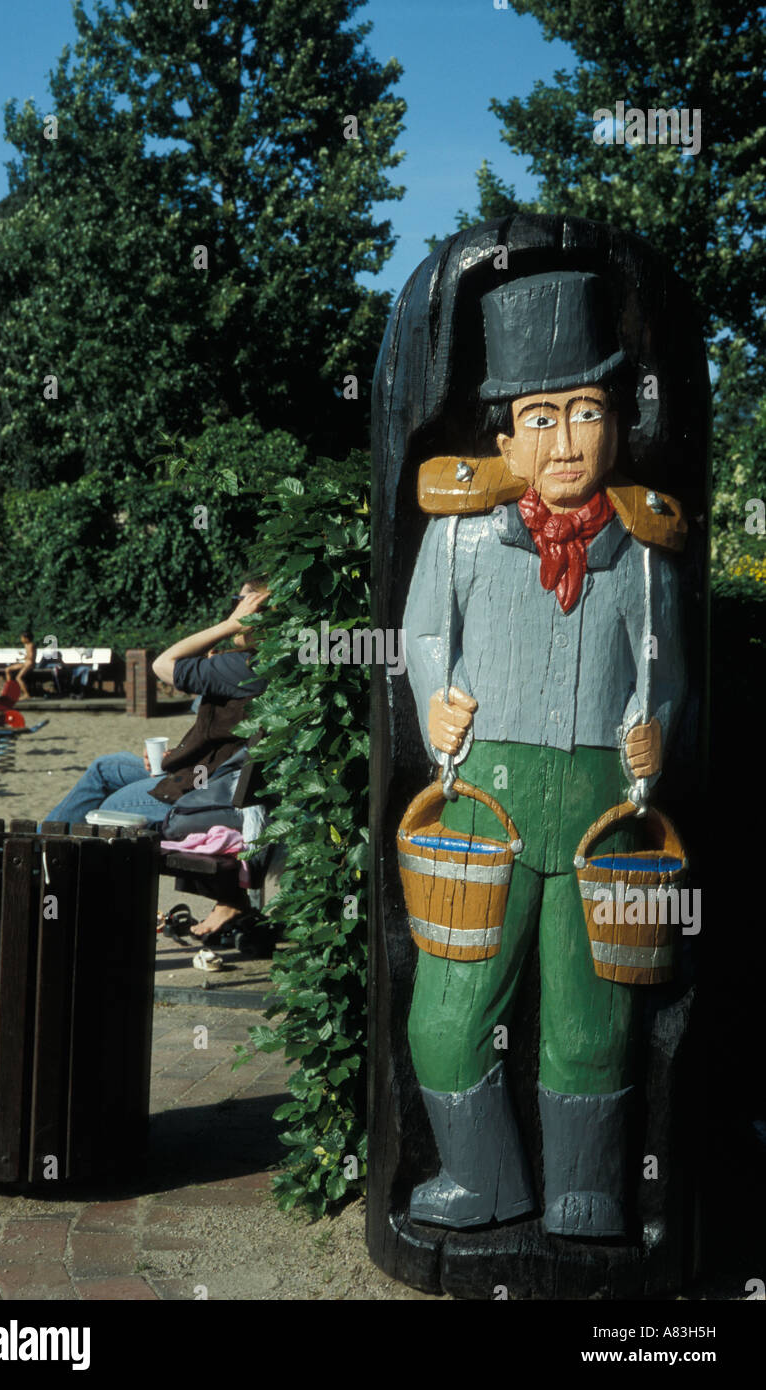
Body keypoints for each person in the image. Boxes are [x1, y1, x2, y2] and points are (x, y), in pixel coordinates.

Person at [402, 271, 687, 1238]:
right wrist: (435, 702)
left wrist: (652, 734)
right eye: (540, 417)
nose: (563, 442)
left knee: (594, 1015)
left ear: (616, 422)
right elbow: (423, 639)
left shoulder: (642, 549)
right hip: (488, 797)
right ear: (503, 436)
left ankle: (585, 1191)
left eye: (585, 413)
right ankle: (483, 1179)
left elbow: (662, 668)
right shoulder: (462, 537)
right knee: (448, 1005)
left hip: (603, 809)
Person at [45, 578, 271, 938]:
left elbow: (164, 665)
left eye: (241, 603)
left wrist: (230, 626)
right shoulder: (265, 664)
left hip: (199, 792)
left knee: (102, 807)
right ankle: (43, 852)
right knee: (106, 767)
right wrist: (175, 758)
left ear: (257, 611)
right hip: (201, 774)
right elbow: (222, 736)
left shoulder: (246, 666)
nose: (234, 609)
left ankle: (43, 868)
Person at [3, 629, 37, 701]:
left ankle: (26, 694)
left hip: (30, 664)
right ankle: (9, 691)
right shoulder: (26, 645)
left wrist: (24, 656)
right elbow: (28, 656)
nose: (21, 639)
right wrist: (21, 657)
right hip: (25, 663)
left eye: (22, 638)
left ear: (26, 639)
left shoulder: (31, 645)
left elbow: (31, 657)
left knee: (18, 678)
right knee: (7, 669)